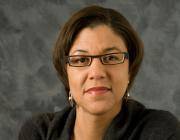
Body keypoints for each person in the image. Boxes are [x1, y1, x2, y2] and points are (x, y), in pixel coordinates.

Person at [18, 5, 180, 140]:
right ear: (65, 72)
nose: (96, 72)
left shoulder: (160, 131)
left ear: (129, 69)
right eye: (81, 60)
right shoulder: (40, 132)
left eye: (110, 58)